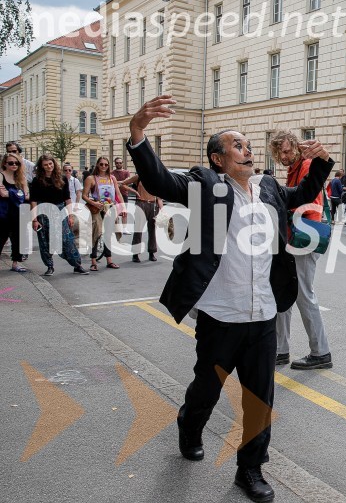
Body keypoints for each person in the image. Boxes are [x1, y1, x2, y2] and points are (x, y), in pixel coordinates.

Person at [128, 95, 333, 502]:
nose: (248, 150)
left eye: (249, 145)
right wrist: (138, 132)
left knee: (260, 398)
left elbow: (306, 191)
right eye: (237, 145)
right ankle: (190, 423)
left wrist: (323, 160)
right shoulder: (206, 185)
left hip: (263, 316)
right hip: (221, 316)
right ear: (218, 159)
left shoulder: (270, 186)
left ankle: (251, 468)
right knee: (208, 386)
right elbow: (159, 181)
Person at [271, 130, 333, 371]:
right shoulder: (294, 169)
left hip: (303, 239)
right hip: (296, 239)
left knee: (303, 294)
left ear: (296, 147)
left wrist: (284, 213)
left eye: (287, 150)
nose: (283, 156)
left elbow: (312, 205)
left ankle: (320, 352)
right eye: (279, 152)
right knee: (284, 291)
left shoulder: (306, 165)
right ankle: (280, 349)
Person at [29, 155, 88, 276]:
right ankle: (49, 266)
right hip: (43, 212)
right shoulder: (37, 180)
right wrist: (34, 220)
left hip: (60, 211)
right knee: (45, 240)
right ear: (41, 166)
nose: (48, 166)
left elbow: (67, 199)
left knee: (67, 239)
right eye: (45, 165)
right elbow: (33, 201)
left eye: (50, 164)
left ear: (54, 164)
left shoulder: (62, 179)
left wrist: (70, 216)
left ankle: (77, 265)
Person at [82, 156, 126, 271]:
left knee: (108, 234)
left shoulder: (112, 178)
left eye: (106, 165)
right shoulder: (91, 178)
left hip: (109, 208)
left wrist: (123, 207)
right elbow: (84, 195)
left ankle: (109, 260)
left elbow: (118, 193)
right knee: (96, 234)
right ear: (97, 165)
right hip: (96, 209)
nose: (103, 166)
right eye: (101, 164)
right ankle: (93, 261)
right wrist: (94, 203)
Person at [119, 173, 163, 263]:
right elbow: (123, 184)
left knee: (152, 229)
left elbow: (159, 197)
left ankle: (152, 252)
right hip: (141, 203)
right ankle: (135, 254)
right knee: (138, 230)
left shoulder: (156, 178)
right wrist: (134, 191)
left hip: (153, 205)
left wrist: (162, 210)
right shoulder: (138, 176)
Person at [0, 153, 29, 272]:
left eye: (17, 163)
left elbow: (27, 196)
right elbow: (2, 194)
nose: (14, 165)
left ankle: (15, 263)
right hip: (4, 213)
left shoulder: (21, 177)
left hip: (18, 213)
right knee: (1, 238)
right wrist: (18, 194)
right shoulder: (1, 175)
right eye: (11, 163)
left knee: (18, 239)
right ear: (5, 164)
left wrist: (10, 193)